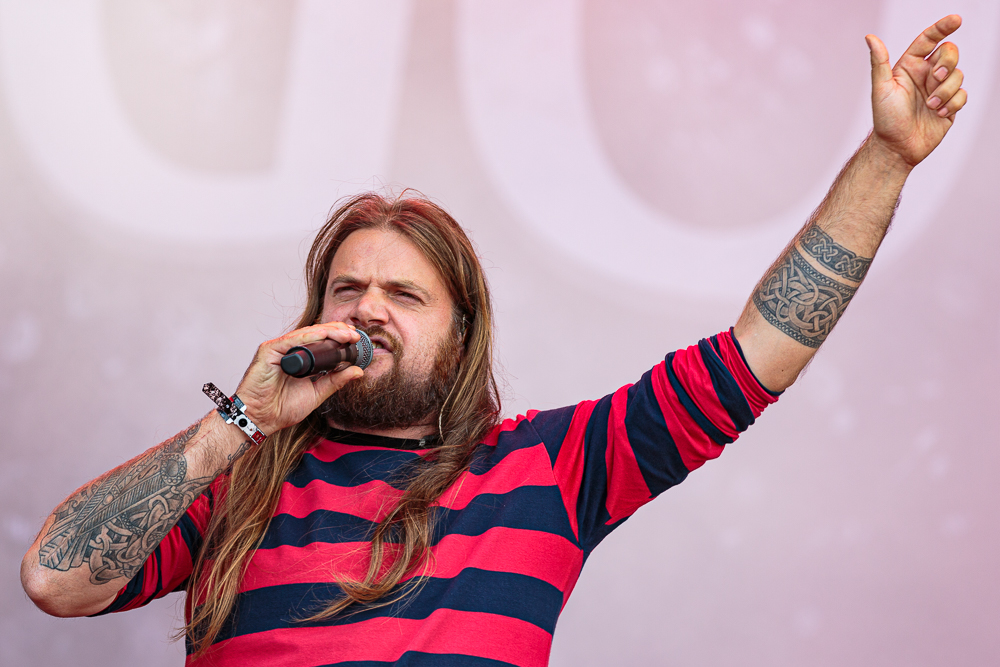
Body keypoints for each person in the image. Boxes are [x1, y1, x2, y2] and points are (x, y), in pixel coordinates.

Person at [21, 15, 968, 667]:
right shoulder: (237, 479)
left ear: (460, 330)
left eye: (404, 294)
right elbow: (55, 582)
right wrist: (236, 423)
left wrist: (886, 159)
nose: (368, 310)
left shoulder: (548, 467)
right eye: (347, 289)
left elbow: (759, 352)